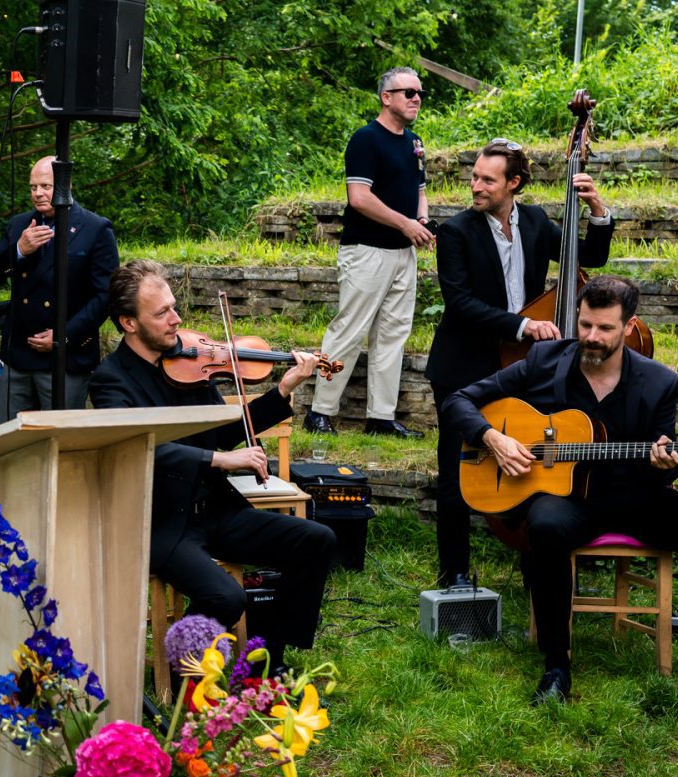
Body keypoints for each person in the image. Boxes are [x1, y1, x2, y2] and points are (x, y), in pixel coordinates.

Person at [444, 276, 678, 704]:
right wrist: (493, 438)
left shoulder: (659, 382)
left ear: (628, 326)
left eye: (604, 328)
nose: (591, 337)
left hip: (635, 499)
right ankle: (556, 667)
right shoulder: (544, 359)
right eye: (585, 324)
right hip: (566, 499)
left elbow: (661, 467)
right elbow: (458, 400)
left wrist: (665, 467)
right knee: (545, 527)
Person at [90, 260, 337, 673]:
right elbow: (137, 448)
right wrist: (218, 460)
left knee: (317, 541)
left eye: (173, 307)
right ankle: (178, 663)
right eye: (162, 313)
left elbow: (222, 433)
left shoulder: (189, 365)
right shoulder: (110, 381)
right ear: (128, 323)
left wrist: (282, 390)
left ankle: (268, 659)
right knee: (226, 597)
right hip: (163, 523)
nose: (176, 319)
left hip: (216, 510)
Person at [428, 139, 613, 588]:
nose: (475, 186)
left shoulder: (533, 221)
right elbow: (460, 303)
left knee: (534, 458)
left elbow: (589, 257)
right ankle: (453, 570)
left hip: (521, 364)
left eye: (486, 180)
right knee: (459, 462)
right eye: (474, 176)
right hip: (465, 361)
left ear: (514, 183)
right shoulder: (456, 231)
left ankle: (538, 562)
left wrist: (597, 210)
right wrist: (523, 326)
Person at [304, 67, 433, 439]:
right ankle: (320, 411)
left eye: (419, 92)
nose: (416, 98)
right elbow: (358, 198)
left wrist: (421, 220)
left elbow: (419, 189)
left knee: (393, 335)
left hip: (402, 255)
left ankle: (381, 418)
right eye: (407, 91)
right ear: (386, 97)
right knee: (349, 330)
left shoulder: (414, 142)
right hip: (366, 252)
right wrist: (405, 224)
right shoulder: (365, 139)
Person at [0, 156, 118, 417]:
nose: (38, 194)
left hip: (66, 356)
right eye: (33, 187)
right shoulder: (19, 225)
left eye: (45, 186)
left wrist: (63, 336)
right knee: (11, 439)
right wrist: (19, 250)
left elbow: (105, 297)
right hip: (19, 352)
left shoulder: (95, 228)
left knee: (61, 440)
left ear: (66, 186)